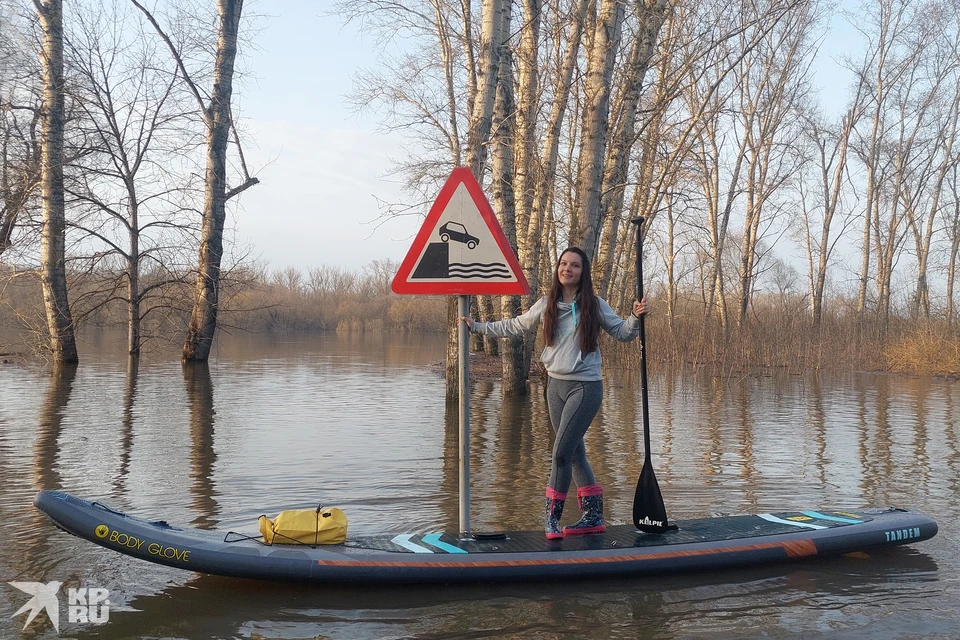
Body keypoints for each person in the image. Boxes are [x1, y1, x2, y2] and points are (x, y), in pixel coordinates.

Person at [458, 247, 647, 540]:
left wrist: (635, 317)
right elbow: (517, 325)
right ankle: (594, 517)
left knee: (560, 453)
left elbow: (623, 333)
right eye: (563, 264)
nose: (567, 269)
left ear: (582, 273)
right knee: (573, 453)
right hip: (554, 386)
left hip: (585, 387)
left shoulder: (595, 305)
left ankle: (552, 520)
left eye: (574, 266)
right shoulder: (546, 304)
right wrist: (478, 327)